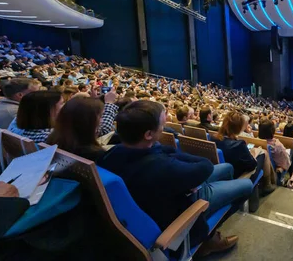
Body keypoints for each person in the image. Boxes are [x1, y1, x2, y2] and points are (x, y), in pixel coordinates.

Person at [98, 101, 253, 256]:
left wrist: (159, 150)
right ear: (148, 135)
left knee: (228, 168)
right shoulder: (161, 165)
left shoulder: (111, 154)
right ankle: (208, 239)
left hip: (164, 193)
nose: (165, 126)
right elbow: (205, 165)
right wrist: (163, 152)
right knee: (247, 185)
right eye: (162, 124)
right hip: (186, 206)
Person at [46, 97, 107, 161]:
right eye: (101, 116)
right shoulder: (95, 154)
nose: (102, 120)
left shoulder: (53, 140)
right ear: (88, 122)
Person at [212, 111, 263, 178]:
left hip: (218, 173)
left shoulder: (213, 138)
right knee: (263, 154)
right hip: (236, 175)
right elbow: (252, 166)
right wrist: (254, 154)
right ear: (238, 128)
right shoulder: (239, 144)